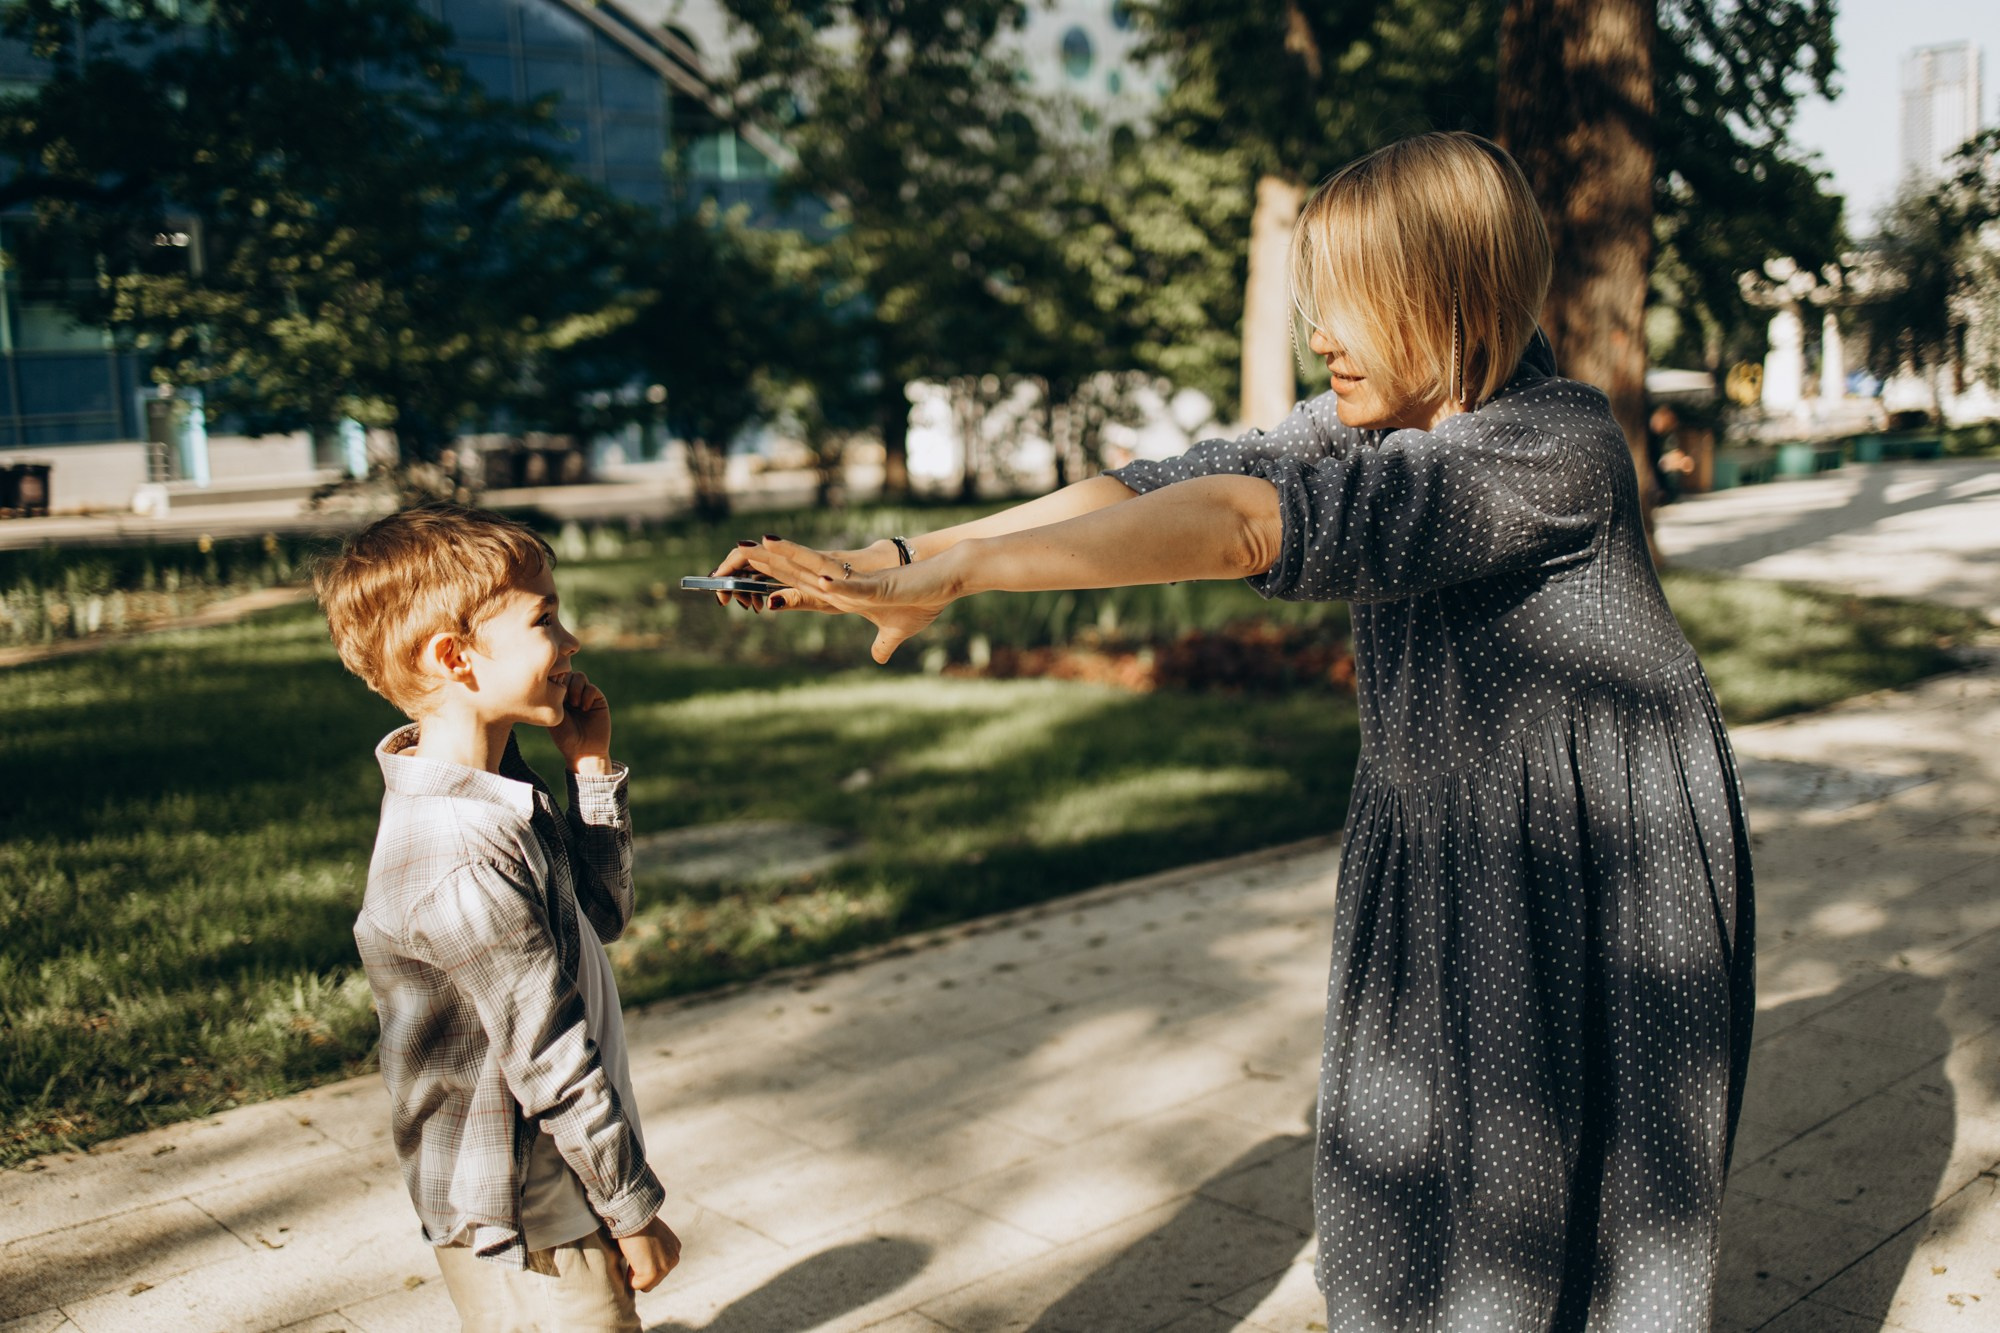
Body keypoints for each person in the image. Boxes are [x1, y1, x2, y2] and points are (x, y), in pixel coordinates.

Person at [715, 132, 1753, 1332]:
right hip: (1438, 825)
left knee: (1560, 1197)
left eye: (1350, 306)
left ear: (1449, 293)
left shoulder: (1551, 445)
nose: (1322, 335)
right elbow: (1159, 486)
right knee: (1407, 1156)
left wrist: (969, 575)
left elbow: (1249, 526)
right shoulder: (1365, 422)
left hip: (1587, 851)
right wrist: (901, 561)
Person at [315, 503, 680, 1331]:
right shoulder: (463, 857)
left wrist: (590, 768)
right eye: (545, 618)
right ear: (454, 656)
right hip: (532, 1208)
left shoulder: (499, 791)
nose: (572, 639)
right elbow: (550, 1060)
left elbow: (602, 915)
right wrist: (631, 1208)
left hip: (557, 1180)